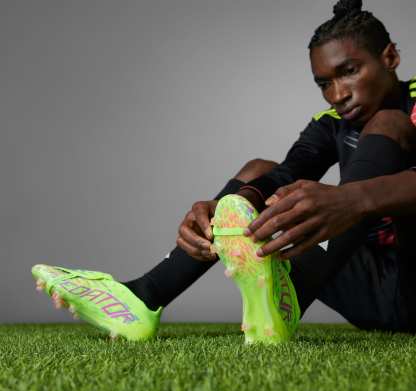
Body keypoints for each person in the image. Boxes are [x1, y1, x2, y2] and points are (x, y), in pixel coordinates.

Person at [32, 0, 416, 341]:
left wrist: (353, 199)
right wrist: (232, 207)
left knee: (390, 123)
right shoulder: (331, 123)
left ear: (390, 57)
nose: (338, 94)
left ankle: (292, 298)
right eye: (324, 84)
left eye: (349, 71)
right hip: (370, 288)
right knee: (257, 172)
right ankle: (144, 297)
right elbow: (285, 174)